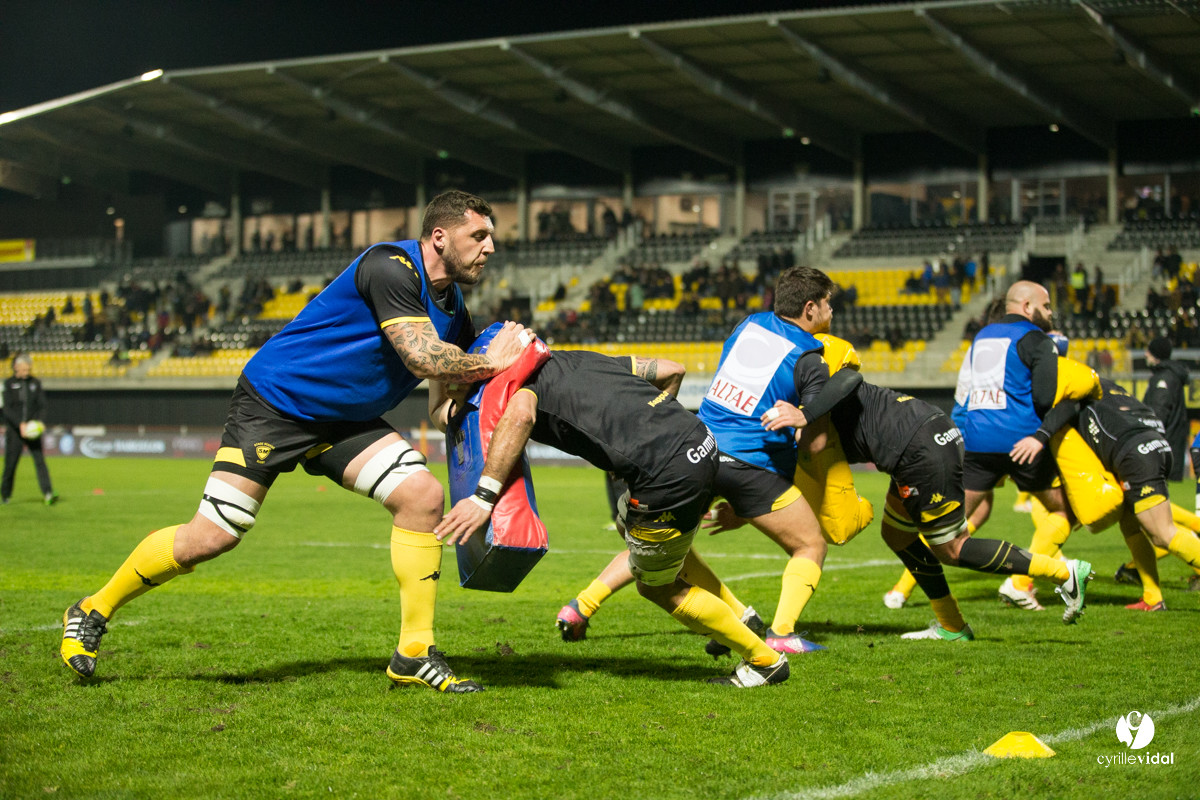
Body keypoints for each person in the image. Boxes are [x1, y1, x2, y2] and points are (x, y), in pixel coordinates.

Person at [60, 190, 532, 693]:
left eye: (491, 238)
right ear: (440, 236)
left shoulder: (454, 310)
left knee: (422, 496)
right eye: (478, 236)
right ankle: (92, 609)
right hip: (277, 403)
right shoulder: (391, 266)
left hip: (345, 420)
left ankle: (413, 653)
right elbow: (421, 359)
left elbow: (439, 405)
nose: (490, 248)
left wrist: (468, 408)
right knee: (213, 536)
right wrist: (492, 363)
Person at [435, 349, 791, 689]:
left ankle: (764, 661)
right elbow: (672, 370)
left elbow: (522, 417)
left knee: (657, 587)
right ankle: (732, 621)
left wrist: (483, 498)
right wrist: (654, 430)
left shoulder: (521, 391)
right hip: (700, 441)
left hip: (668, 476)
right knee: (632, 529)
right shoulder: (575, 359)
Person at [554, 267, 848, 656]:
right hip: (750, 465)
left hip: (697, 451)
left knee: (657, 543)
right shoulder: (811, 359)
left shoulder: (748, 325)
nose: (832, 310)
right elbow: (813, 444)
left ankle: (581, 606)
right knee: (810, 545)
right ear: (810, 308)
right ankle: (780, 632)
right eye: (828, 303)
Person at [765, 354, 1093, 639]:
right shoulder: (808, 377)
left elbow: (848, 380)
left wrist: (804, 416)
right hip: (916, 441)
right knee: (896, 534)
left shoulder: (812, 369)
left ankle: (1065, 573)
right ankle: (952, 625)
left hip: (919, 448)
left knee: (953, 548)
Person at [957, 281, 1094, 619]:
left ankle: (922, 596)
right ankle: (1042, 575)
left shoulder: (982, 336)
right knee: (1067, 511)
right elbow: (1046, 397)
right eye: (1046, 307)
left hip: (978, 442)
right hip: (1023, 442)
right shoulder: (1037, 339)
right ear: (1028, 306)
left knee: (951, 523)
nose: (1050, 313)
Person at [1033, 378, 1200, 611]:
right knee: (1130, 526)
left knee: (1163, 534)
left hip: (1135, 454)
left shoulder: (1073, 399)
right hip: (1153, 446)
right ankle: (1153, 598)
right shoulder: (1110, 388)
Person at [2, 353, 56, 506]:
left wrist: (39, 422)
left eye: (28, 369)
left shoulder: (35, 383)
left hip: (32, 430)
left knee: (40, 461)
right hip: (15, 431)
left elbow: (42, 405)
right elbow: (6, 409)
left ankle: (48, 492)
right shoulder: (8, 384)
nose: (26, 373)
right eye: (24, 370)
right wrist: (20, 424)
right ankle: (5, 494)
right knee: (10, 464)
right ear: (16, 368)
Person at [1143, 337, 1188, 481]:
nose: (1145, 354)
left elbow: (1158, 415)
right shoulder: (1169, 375)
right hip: (1169, 446)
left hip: (1163, 450)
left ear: (1156, 354)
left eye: (1149, 351)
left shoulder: (1164, 379)